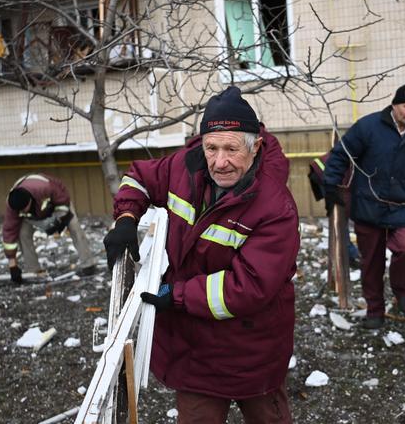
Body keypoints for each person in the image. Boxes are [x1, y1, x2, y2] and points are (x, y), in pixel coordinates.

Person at [103, 86, 299, 423]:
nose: (220, 162)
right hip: (193, 351)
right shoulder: (184, 166)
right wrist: (126, 218)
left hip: (253, 347)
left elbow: (248, 287)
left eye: (231, 149)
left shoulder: (275, 206)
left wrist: (176, 295)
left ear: (256, 148)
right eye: (211, 147)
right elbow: (139, 177)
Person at [322, 84, 405, 329]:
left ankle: (400, 290)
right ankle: (375, 311)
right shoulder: (368, 127)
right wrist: (331, 186)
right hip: (369, 204)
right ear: (394, 105)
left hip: (402, 206)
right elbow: (340, 154)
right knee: (371, 261)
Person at [1, 173, 96, 283]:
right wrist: (12, 266)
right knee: (22, 234)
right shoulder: (12, 205)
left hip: (57, 206)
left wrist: (60, 220)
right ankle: (34, 271)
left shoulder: (45, 187)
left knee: (74, 226)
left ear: (29, 201)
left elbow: (63, 199)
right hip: (33, 216)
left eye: (24, 209)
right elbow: (9, 233)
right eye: (19, 211)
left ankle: (88, 264)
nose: (21, 212)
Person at [308, 153, 361, 267]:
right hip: (324, 174)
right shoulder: (360, 168)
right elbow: (346, 197)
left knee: (339, 216)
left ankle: (351, 254)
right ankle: (351, 255)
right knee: (340, 218)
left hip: (322, 172)